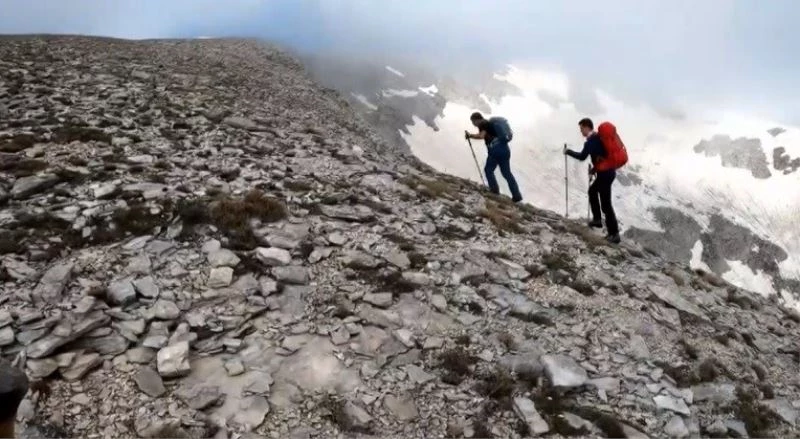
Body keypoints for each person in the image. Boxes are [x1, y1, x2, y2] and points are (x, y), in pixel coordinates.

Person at [564, 117, 621, 244]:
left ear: (586, 127)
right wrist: (595, 169)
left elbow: (582, 156)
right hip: (607, 172)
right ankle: (598, 220)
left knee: (605, 204)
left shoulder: (591, 142)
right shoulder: (598, 138)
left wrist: (568, 152)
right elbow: (602, 157)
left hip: (605, 174)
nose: (581, 132)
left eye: (581, 129)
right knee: (593, 191)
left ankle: (614, 234)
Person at [464, 112, 523, 203]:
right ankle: (517, 195)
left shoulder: (483, 124)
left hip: (495, 150)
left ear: (477, 120)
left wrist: (470, 135)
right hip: (505, 149)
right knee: (507, 174)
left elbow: (481, 136)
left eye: (473, 122)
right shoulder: (490, 124)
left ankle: (494, 191)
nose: (473, 124)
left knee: (488, 170)